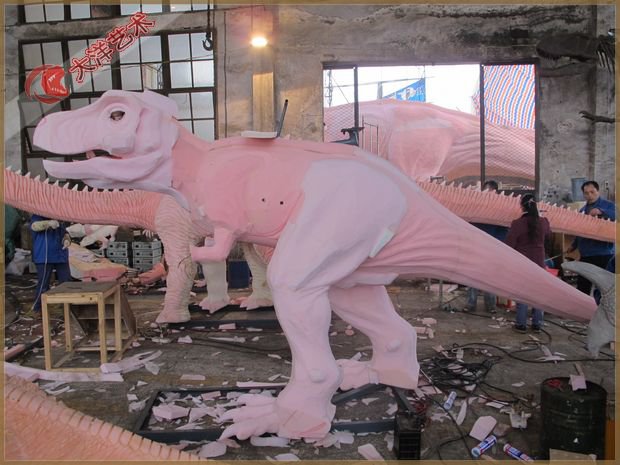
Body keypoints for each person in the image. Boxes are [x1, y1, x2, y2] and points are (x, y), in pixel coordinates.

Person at [505, 194, 551, 333]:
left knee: (523, 294)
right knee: (539, 294)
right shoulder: (544, 222)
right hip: (539, 261)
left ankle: (521, 324)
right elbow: (548, 236)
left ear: (521, 206)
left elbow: (509, 244)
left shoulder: (517, 224)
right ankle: (537, 324)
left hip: (522, 263)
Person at [463, 180, 508, 313]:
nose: (487, 194)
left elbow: (503, 231)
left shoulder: (500, 210)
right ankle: (471, 303)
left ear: (495, 192)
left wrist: (496, 245)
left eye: (490, 191)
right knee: (473, 276)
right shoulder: (477, 208)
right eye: (486, 191)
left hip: (492, 249)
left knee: (490, 278)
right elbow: (469, 225)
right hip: (477, 247)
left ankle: (490, 305)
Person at [566, 180, 616, 296]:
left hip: (604, 254)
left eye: (592, 192)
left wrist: (601, 211)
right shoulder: (583, 211)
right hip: (586, 255)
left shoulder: (609, 206)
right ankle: (583, 307)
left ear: (598, 191)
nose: (589, 195)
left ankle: (602, 307)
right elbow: (580, 231)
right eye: (586, 193)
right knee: (583, 287)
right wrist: (573, 246)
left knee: (604, 288)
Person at [30, 214, 72, 316]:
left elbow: (64, 232)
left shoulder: (60, 214)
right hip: (44, 254)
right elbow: (34, 226)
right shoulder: (38, 215)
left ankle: (68, 310)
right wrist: (48, 223)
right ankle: (37, 308)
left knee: (67, 282)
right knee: (43, 284)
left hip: (60, 254)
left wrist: (67, 239)